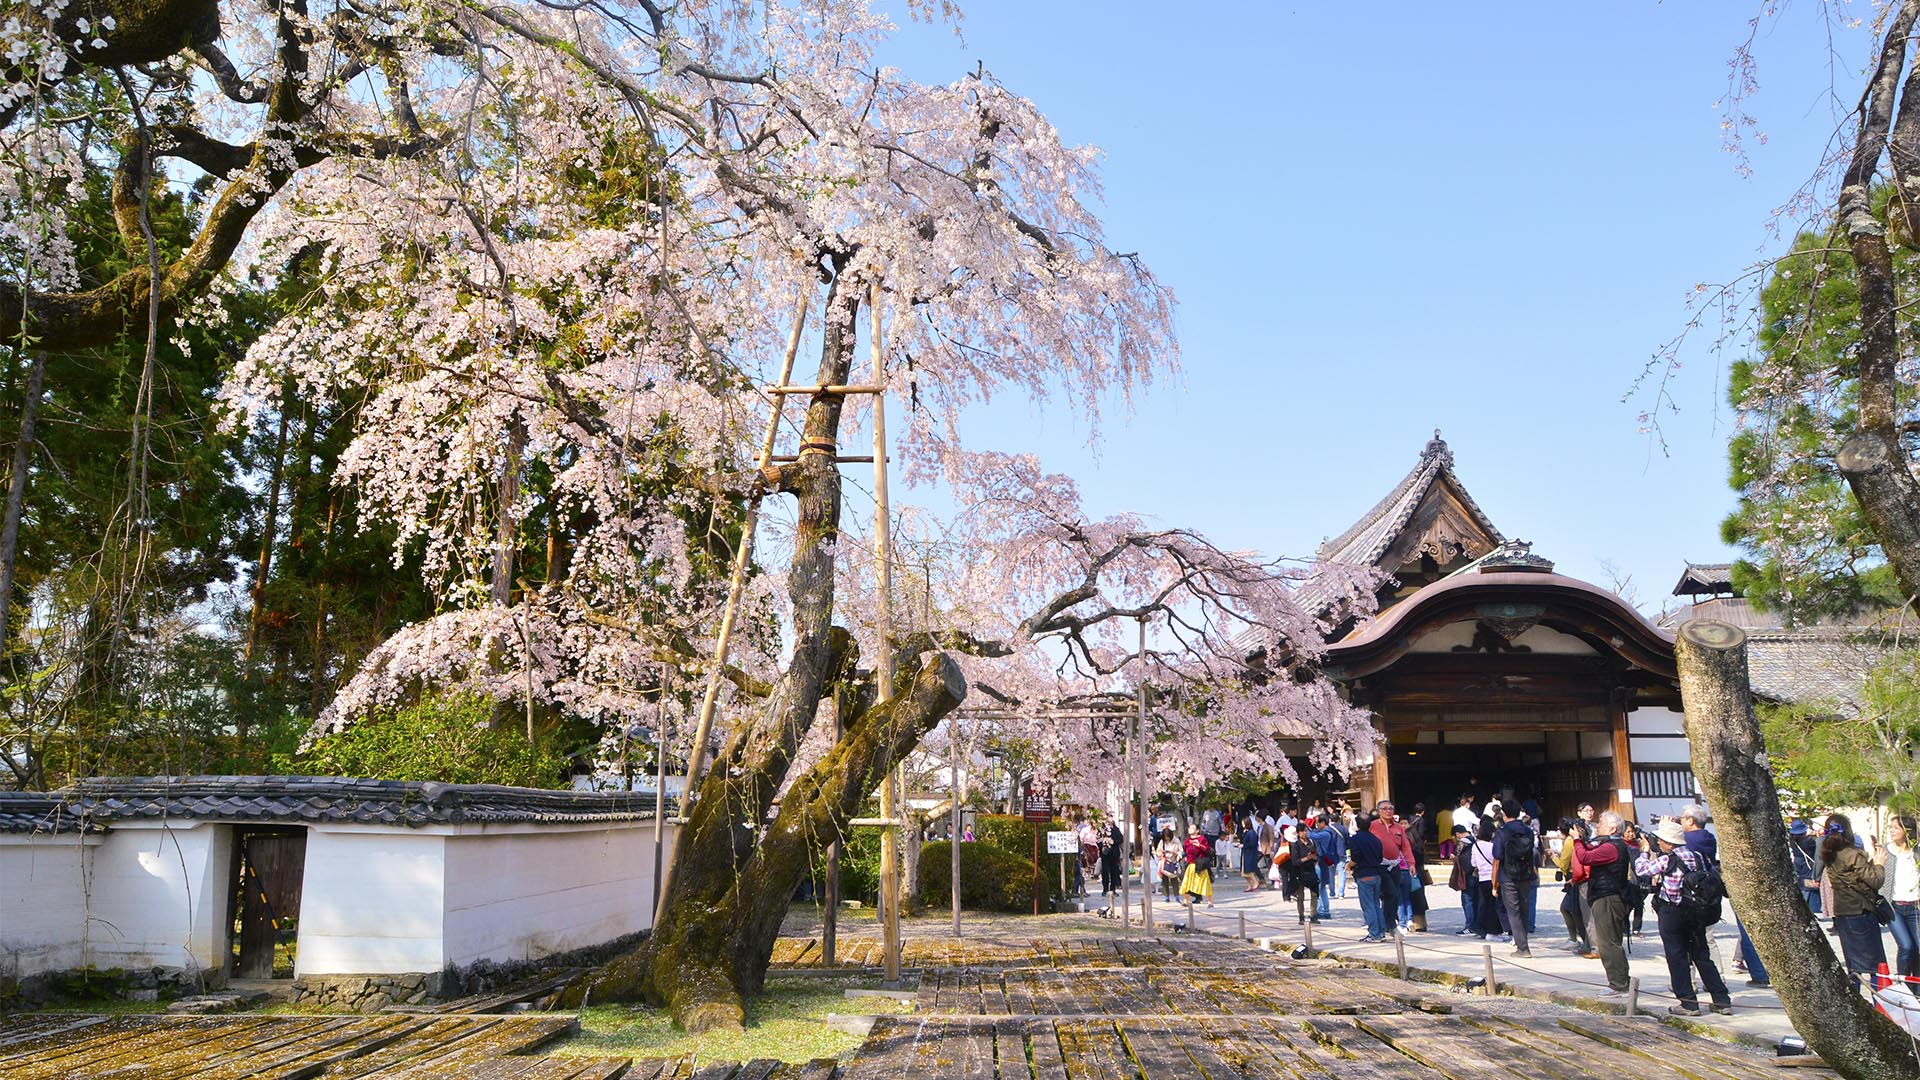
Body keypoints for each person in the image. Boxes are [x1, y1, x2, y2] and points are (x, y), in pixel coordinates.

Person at [1637, 819, 1732, 1016]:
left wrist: (1644, 852)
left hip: (1673, 911)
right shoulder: (1697, 856)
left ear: (1670, 843)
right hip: (1696, 912)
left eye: (1661, 840)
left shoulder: (1667, 859)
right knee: (1701, 955)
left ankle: (1688, 1003)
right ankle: (1721, 1000)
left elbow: (1642, 870)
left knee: (1677, 956)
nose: (1659, 843)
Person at [1823, 812, 1887, 983]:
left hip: (1843, 913)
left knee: (1853, 966)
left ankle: (1855, 1002)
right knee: (1877, 966)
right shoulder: (1852, 854)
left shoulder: (1829, 854)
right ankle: (1879, 1004)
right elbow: (1875, 880)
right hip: (1861, 912)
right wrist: (1879, 864)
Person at [1576, 810, 1633, 997]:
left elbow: (1585, 858)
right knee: (1612, 941)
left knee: (1607, 942)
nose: (1597, 826)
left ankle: (1618, 984)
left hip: (1608, 897)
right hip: (1608, 895)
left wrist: (1577, 840)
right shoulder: (1611, 844)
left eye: (1601, 823)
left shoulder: (1612, 847)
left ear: (1613, 828)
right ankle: (1623, 980)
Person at [1490, 802, 1538, 956]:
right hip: (1525, 873)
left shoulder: (1503, 831)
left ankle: (1522, 947)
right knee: (1524, 908)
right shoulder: (1527, 830)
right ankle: (1524, 942)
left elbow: (1497, 853)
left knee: (1513, 910)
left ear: (1504, 813)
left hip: (1507, 874)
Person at [1883, 814, 1919, 987]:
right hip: (1894, 907)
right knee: (1906, 946)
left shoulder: (1916, 851)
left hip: (1915, 906)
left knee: (1918, 947)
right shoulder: (1885, 851)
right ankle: (1902, 985)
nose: (1891, 830)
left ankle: (1917, 988)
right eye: (1891, 827)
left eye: (1896, 827)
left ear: (1907, 830)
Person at [1372, 800, 1415, 933]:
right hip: (1379, 866)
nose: (1388, 811)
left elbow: (1406, 846)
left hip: (1395, 865)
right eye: (1385, 809)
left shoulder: (1398, 827)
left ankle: (1390, 923)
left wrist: (1411, 863)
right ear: (1379, 811)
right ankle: (1386, 923)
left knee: (1394, 895)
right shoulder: (1372, 826)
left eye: (1391, 808)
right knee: (1387, 893)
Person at [1554, 816, 1594, 955]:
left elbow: (1565, 864)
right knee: (1576, 911)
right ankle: (1583, 941)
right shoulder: (1584, 841)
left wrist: (1552, 856)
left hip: (1577, 880)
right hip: (1581, 879)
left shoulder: (1572, 842)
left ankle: (1581, 941)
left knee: (1574, 911)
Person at [1348, 811, 1390, 942]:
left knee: (1368, 905)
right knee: (1376, 904)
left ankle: (1374, 933)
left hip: (1364, 874)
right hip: (1376, 873)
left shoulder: (1355, 839)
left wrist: (1348, 866)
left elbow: (1355, 857)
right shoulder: (1375, 839)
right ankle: (1381, 931)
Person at [1469, 819, 1504, 940]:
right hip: (1493, 878)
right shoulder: (1492, 846)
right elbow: (1497, 860)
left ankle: (1489, 930)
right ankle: (1492, 932)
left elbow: (1473, 863)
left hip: (1482, 878)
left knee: (1486, 904)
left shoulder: (1475, 846)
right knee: (1493, 906)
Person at [1283, 824, 1320, 924]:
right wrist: (1306, 858)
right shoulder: (1296, 845)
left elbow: (1317, 856)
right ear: (1298, 833)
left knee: (1314, 893)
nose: (1305, 833)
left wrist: (1314, 857)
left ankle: (1313, 914)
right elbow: (1295, 861)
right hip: (1300, 872)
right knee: (1300, 895)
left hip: (1311, 870)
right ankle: (1301, 916)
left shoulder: (1311, 842)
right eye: (1303, 831)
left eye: (1306, 831)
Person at [1307, 814, 1343, 917]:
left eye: (1318, 822)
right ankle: (1323, 910)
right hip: (1323, 861)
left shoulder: (1325, 833)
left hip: (1322, 861)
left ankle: (1323, 910)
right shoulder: (1327, 831)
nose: (1317, 825)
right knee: (1321, 887)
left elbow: (1312, 835)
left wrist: (1304, 829)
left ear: (1323, 823)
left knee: (1320, 887)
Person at [1788, 818, 1822, 919]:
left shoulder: (1793, 842)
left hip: (1799, 867)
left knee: (1804, 888)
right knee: (1812, 891)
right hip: (1809, 868)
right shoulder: (1808, 842)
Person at [1448, 824, 1477, 935]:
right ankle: (1475, 925)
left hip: (1467, 874)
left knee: (1467, 900)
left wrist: (1453, 857)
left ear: (1457, 834)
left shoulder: (1463, 842)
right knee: (1475, 900)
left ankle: (1470, 926)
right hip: (1476, 874)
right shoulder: (1475, 839)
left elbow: (1457, 855)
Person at [1180, 825, 1215, 908]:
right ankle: (1186, 900)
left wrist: (1199, 845)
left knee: (1205, 883)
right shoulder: (1187, 840)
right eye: (1189, 828)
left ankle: (1210, 902)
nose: (1190, 829)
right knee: (1187, 883)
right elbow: (1185, 850)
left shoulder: (1202, 839)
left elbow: (1207, 850)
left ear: (1197, 830)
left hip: (1200, 864)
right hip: (1190, 864)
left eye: (1192, 828)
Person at [1099, 818, 1124, 902]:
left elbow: (1121, 839)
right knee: (1105, 871)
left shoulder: (1116, 829)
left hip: (1114, 853)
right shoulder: (1101, 830)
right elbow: (1097, 840)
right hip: (1104, 853)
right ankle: (1105, 889)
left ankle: (1113, 889)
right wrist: (1102, 843)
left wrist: (1114, 841)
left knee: (1114, 871)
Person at [1156, 827, 1183, 901]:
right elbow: (1158, 850)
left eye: (1168, 837)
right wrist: (1161, 854)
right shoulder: (1162, 842)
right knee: (1164, 880)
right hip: (1165, 861)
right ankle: (1166, 896)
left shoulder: (1176, 841)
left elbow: (1181, 851)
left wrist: (1176, 854)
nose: (1167, 838)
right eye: (1165, 837)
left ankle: (1176, 895)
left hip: (1173, 861)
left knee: (1174, 879)